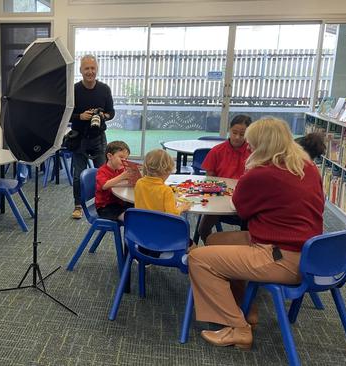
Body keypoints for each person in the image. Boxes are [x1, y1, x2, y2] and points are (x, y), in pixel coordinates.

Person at [188, 117, 324, 350]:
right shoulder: (307, 166)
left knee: (198, 259)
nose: (247, 147)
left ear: (262, 145)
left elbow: (242, 209)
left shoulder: (262, 173)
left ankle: (238, 328)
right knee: (214, 240)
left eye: (251, 143)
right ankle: (244, 307)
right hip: (307, 253)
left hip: (280, 257)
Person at [70, 54, 115, 219]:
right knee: (78, 174)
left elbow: (112, 112)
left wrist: (104, 116)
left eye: (93, 68)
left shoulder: (104, 89)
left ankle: (104, 204)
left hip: (98, 137)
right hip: (79, 137)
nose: (90, 71)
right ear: (81, 70)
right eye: (87, 68)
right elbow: (65, 115)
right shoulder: (73, 90)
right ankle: (77, 205)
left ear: (97, 70)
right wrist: (80, 116)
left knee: (103, 172)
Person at [197, 114, 252, 243]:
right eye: (234, 133)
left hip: (244, 201)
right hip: (219, 199)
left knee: (250, 231)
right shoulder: (217, 151)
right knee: (203, 230)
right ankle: (213, 254)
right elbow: (209, 179)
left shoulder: (253, 153)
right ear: (229, 130)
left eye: (242, 134)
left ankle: (237, 255)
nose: (237, 137)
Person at [134, 149, 191, 215]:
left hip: (140, 223)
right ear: (167, 171)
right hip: (159, 225)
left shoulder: (139, 183)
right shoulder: (166, 191)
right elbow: (173, 215)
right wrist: (181, 208)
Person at [94, 141, 134, 222]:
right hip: (105, 207)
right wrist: (122, 176)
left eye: (126, 159)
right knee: (131, 218)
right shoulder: (102, 171)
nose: (124, 161)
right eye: (121, 158)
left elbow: (125, 181)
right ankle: (131, 229)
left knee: (140, 208)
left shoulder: (119, 169)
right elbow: (104, 185)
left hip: (119, 202)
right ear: (109, 156)